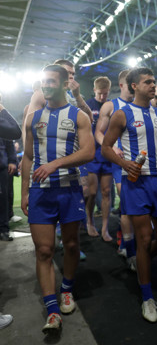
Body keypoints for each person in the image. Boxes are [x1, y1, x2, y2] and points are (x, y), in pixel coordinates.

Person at [21, 64, 95, 334]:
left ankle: (67, 289)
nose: (46, 86)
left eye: (52, 81)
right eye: (43, 82)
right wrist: (24, 191)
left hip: (69, 190)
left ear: (65, 84)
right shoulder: (33, 117)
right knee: (44, 250)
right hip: (41, 193)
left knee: (73, 245)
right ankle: (52, 311)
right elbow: (28, 157)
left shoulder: (79, 116)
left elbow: (89, 152)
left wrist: (56, 164)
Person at [101, 67, 157, 323]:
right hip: (135, 182)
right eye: (147, 82)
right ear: (133, 87)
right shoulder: (122, 114)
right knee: (144, 238)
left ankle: (140, 263)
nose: (153, 86)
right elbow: (106, 147)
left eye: (154, 82)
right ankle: (147, 295)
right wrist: (124, 164)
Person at [95, 70, 135, 264]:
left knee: (137, 207)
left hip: (143, 164)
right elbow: (99, 133)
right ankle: (127, 246)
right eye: (131, 84)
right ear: (122, 85)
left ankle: (125, 238)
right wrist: (110, 148)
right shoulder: (111, 106)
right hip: (120, 163)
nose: (135, 87)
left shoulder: (145, 105)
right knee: (126, 202)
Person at [84, 76, 113, 241]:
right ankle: (89, 221)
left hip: (108, 156)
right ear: (94, 90)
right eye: (100, 93)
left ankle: (105, 228)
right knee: (92, 193)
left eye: (105, 93)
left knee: (107, 192)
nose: (102, 97)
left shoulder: (112, 106)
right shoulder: (88, 106)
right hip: (92, 156)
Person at [0, 94, 18, 241]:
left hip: (1, 166)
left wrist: (12, 160)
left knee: (3, 197)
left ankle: (3, 229)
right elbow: (15, 130)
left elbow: (12, 137)